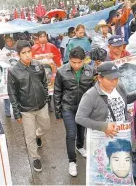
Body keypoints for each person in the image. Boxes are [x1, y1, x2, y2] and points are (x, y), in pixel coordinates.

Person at [7, 40, 50, 172]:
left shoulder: (38, 65)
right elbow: (12, 93)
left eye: (29, 52)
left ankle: (39, 135)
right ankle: (35, 158)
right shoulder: (13, 71)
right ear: (19, 54)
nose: (27, 55)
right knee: (29, 136)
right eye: (23, 53)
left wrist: (46, 96)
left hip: (42, 106)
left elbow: (44, 82)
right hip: (26, 110)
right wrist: (16, 112)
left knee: (46, 127)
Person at [54, 46, 95, 177]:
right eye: (73, 62)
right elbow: (57, 91)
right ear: (69, 60)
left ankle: (80, 146)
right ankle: (72, 161)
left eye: (79, 62)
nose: (76, 65)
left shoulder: (91, 70)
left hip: (84, 108)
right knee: (71, 134)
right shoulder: (61, 71)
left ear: (84, 60)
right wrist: (58, 111)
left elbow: (94, 91)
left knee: (81, 130)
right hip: (68, 107)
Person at [76, 61, 136, 131]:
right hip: (102, 138)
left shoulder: (119, 86)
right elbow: (79, 118)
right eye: (110, 79)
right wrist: (103, 127)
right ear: (99, 78)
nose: (114, 81)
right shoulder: (90, 95)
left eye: (116, 78)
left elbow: (126, 99)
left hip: (121, 132)